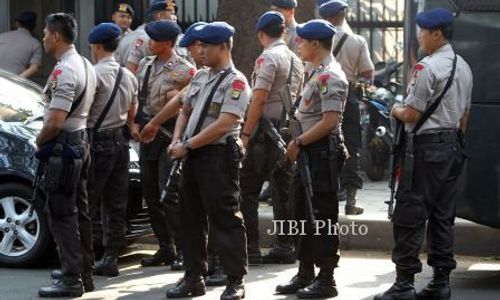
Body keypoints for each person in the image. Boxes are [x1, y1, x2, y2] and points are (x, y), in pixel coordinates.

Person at [374, 8, 472, 300]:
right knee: (443, 217)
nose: (419, 38)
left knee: (410, 214)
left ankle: (404, 284)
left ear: (436, 34)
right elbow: (465, 115)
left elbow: (412, 114)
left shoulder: (426, 68)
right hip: (453, 148)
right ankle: (440, 283)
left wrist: (394, 108)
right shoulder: (464, 66)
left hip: (425, 151)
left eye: (422, 33)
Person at [165, 21, 249, 300]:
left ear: (223, 47)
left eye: (207, 46)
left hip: (217, 156)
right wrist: (177, 139)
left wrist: (187, 144)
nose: (200, 51)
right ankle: (193, 277)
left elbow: (225, 123)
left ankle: (235, 280)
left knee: (225, 219)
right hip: (191, 155)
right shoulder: (201, 77)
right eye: (200, 46)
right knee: (189, 219)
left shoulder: (236, 81)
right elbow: (185, 110)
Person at [275, 19, 348, 299]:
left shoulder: (331, 75)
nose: (298, 44)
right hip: (308, 153)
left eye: (302, 41)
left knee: (322, 217)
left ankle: (326, 278)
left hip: (322, 154)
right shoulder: (315, 72)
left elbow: (331, 121)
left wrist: (299, 141)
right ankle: (305, 271)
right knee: (300, 214)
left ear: (315, 43)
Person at [36, 13, 97, 298]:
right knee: (79, 211)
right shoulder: (85, 63)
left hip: (64, 145)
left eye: (46, 33)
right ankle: (83, 272)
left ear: (57, 36)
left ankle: (71, 278)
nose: (44, 38)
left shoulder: (65, 70)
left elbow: (55, 121)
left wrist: (38, 140)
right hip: (80, 142)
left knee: (60, 211)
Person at [240, 11, 304, 265]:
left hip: (264, 135)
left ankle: (251, 249)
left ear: (260, 34)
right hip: (285, 132)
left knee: (247, 191)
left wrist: (245, 134)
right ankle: (285, 246)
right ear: (284, 32)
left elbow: (259, 99)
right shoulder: (296, 59)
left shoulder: (267, 58)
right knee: (283, 191)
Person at [133, 20, 195, 270]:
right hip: (147, 135)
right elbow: (140, 98)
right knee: (150, 195)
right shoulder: (146, 65)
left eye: (154, 39)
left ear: (168, 43)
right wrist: (136, 124)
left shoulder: (185, 69)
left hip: (169, 136)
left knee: (168, 194)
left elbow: (189, 107)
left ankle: (183, 248)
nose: (149, 43)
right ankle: (165, 247)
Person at [86, 23, 138, 277]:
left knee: (87, 200)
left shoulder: (92, 74)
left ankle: (84, 258)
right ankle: (110, 257)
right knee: (116, 203)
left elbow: (83, 109)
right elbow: (133, 111)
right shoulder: (128, 75)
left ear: (95, 47)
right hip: (121, 143)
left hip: (97, 143)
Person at [319, 0, 374, 215]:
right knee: (351, 145)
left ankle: (325, 199)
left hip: (321, 94)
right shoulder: (357, 41)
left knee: (321, 144)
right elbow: (368, 73)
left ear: (326, 17)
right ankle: (351, 200)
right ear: (343, 14)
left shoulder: (316, 39)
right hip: (347, 96)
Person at [115, 0, 177, 69]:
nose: (175, 18)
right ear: (160, 16)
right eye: (172, 14)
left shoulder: (125, 38)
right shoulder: (157, 39)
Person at [0, 11, 42, 78]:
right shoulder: (35, 43)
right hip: (12, 83)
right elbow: (34, 68)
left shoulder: (1, 36)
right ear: (34, 26)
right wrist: (16, 80)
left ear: (17, 23)